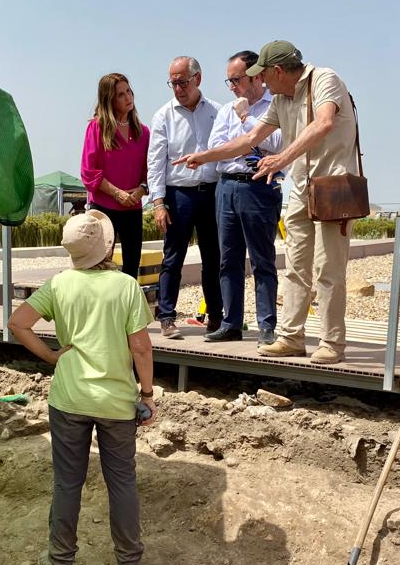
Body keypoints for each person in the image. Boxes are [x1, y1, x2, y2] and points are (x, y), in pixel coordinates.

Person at [174, 40, 357, 364]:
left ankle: (332, 342)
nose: (260, 83)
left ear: (277, 71)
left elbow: (324, 122)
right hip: (301, 186)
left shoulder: (324, 79)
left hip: (332, 185)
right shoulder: (281, 100)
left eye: (262, 76)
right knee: (296, 267)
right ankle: (291, 337)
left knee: (327, 268)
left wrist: (280, 158)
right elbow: (248, 140)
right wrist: (202, 157)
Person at [8, 210, 156, 565]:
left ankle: (60, 563)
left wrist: (50, 355)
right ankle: (127, 563)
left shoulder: (59, 284)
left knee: (67, 483)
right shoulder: (124, 286)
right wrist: (147, 393)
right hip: (116, 403)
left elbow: (18, 323)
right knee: (121, 481)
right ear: (107, 246)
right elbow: (140, 347)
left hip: (69, 398)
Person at [205, 50, 285, 345]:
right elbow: (215, 147)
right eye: (228, 81)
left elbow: (277, 144)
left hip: (260, 187)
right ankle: (231, 323)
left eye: (236, 79)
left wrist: (246, 119)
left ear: (256, 76)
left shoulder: (275, 105)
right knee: (229, 259)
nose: (232, 87)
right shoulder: (225, 109)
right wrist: (251, 145)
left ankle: (266, 326)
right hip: (227, 186)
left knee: (263, 259)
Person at [147, 56, 222, 340]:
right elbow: (155, 163)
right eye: (173, 83)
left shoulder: (218, 111)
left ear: (197, 79)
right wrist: (158, 203)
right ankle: (167, 317)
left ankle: (216, 317)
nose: (177, 88)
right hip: (179, 196)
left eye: (182, 82)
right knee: (172, 258)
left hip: (212, 193)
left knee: (213, 258)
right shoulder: (163, 116)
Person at [80, 73, 150, 279]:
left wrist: (142, 190)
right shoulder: (96, 128)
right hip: (103, 209)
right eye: (121, 94)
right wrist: (117, 193)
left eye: (129, 91)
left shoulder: (143, 132)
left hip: (133, 209)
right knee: (100, 267)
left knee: (131, 268)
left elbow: (150, 170)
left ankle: (127, 309)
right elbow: (88, 171)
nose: (128, 97)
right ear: (109, 99)